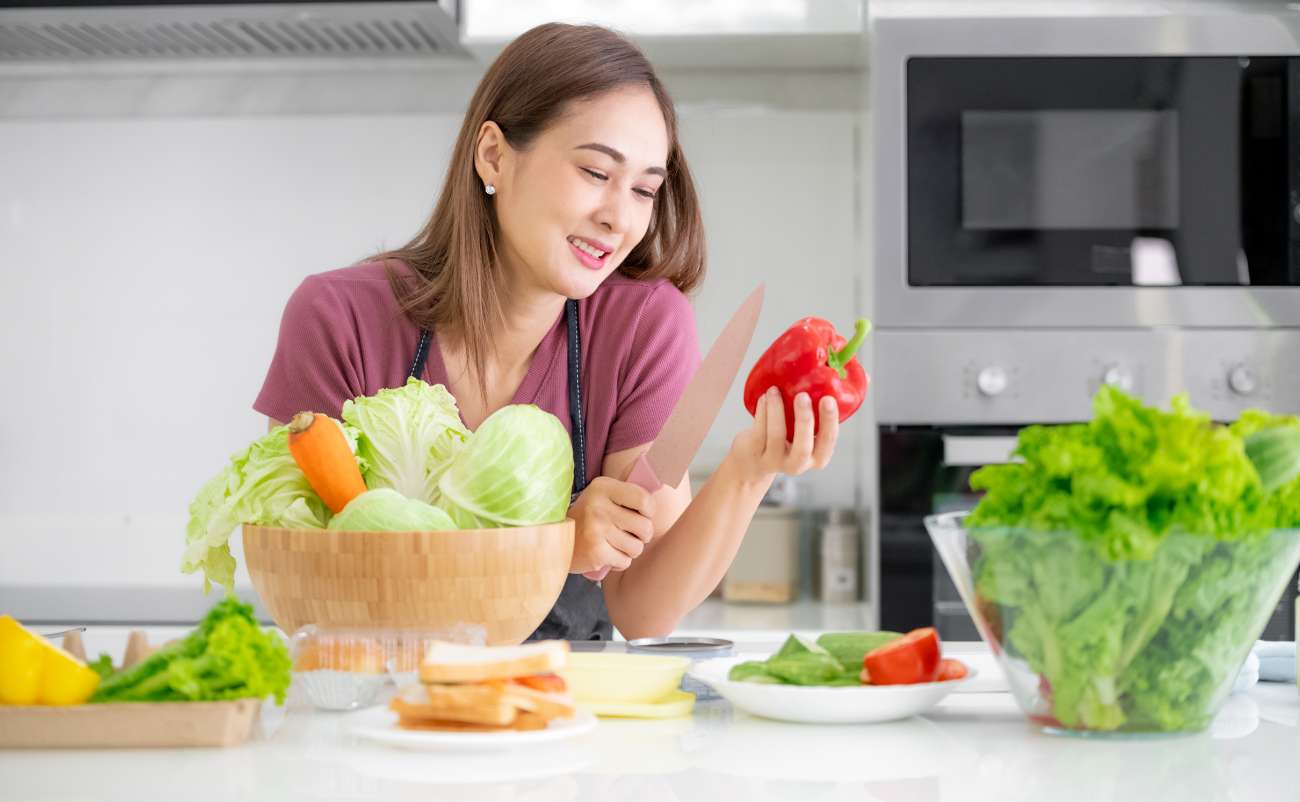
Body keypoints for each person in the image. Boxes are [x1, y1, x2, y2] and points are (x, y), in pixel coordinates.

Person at [253, 23, 841, 641]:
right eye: (595, 172)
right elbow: (307, 582)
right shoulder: (339, 319)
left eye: (644, 189)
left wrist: (749, 471)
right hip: (378, 705)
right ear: (494, 156)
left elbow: (642, 611)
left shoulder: (643, 326)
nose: (620, 217)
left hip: (562, 716)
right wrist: (556, 539)